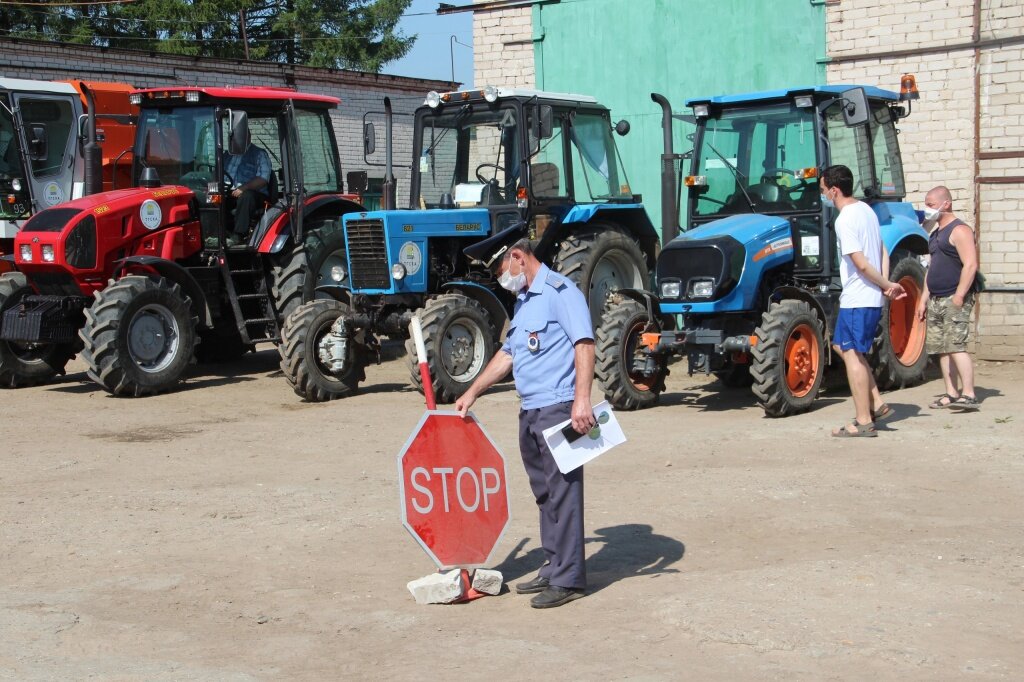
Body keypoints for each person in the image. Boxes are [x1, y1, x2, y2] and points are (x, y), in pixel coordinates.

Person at [456, 226, 595, 609]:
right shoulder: (524, 302)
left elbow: (584, 344)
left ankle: (569, 579)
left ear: (518, 256)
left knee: (564, 491)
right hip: (530, 409)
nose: (500, 278)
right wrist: (471, 392)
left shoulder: (560, 293)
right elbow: (509, 356)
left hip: (559, 406)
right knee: (544, 492)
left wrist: (582, 400)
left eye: (500, 268)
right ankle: (554, 563)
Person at [820, 165, 905, 437]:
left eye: (823, 191)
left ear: (834, 191)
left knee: (854, 355)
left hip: (858, 296)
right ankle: (877, 403)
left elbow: (860, 263)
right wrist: (884, 284)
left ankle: (863, 420)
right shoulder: (867, 210)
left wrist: (886, 284)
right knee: (840, 346)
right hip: (865, 295)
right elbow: (881, 250)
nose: (823, 196)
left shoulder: (844, 219)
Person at [916, 186, 980, 411]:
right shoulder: (934, 234)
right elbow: (931, 269)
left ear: (946, 204)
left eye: (931, 204)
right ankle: (951, 392)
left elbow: (971, 264)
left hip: (954, 296)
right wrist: (923, 299)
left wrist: (960, 295)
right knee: (941, 348)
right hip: (935, 298)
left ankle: (969, 393)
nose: (927, 209)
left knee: (955, 346)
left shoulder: (959, 230)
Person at [223, 130, 271, 246]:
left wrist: (244, 187)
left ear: (248, 136)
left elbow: (263, 179)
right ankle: (215, 233)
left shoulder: (259, 153)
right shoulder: (226, 155)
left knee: (246, 196)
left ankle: (238, 235)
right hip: (229, 192)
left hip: (255, 194)